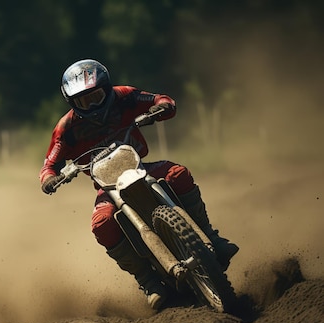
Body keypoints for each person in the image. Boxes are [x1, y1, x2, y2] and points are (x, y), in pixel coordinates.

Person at [39, 59, 239, 310]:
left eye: (96, 96)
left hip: (140, 167)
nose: (91, 105)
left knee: (178, 174)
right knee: (102, 224)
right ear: (72, 103)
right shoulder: (66, 128)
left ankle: (211, 236)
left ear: (107, 89)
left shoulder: (125, 96)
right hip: (107, 188)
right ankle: (147, 280)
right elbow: (49, 164)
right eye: (82, 101)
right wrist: (51, 179)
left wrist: (162, 107)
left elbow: (159, 99)